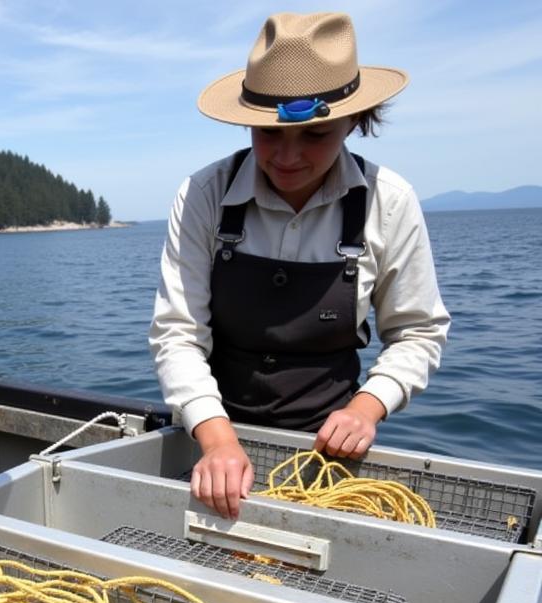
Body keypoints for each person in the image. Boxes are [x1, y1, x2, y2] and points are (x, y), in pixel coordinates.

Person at [149, 11, 450, 520]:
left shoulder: (390, 202)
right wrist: (217, 437)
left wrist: (366, 408)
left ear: (354, 121)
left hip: (331, 457)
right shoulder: (203, 194)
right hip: (212, 436)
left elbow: (419, 333)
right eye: (268, 134)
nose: (287, 157)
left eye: (315, 135)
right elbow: (178, 333)